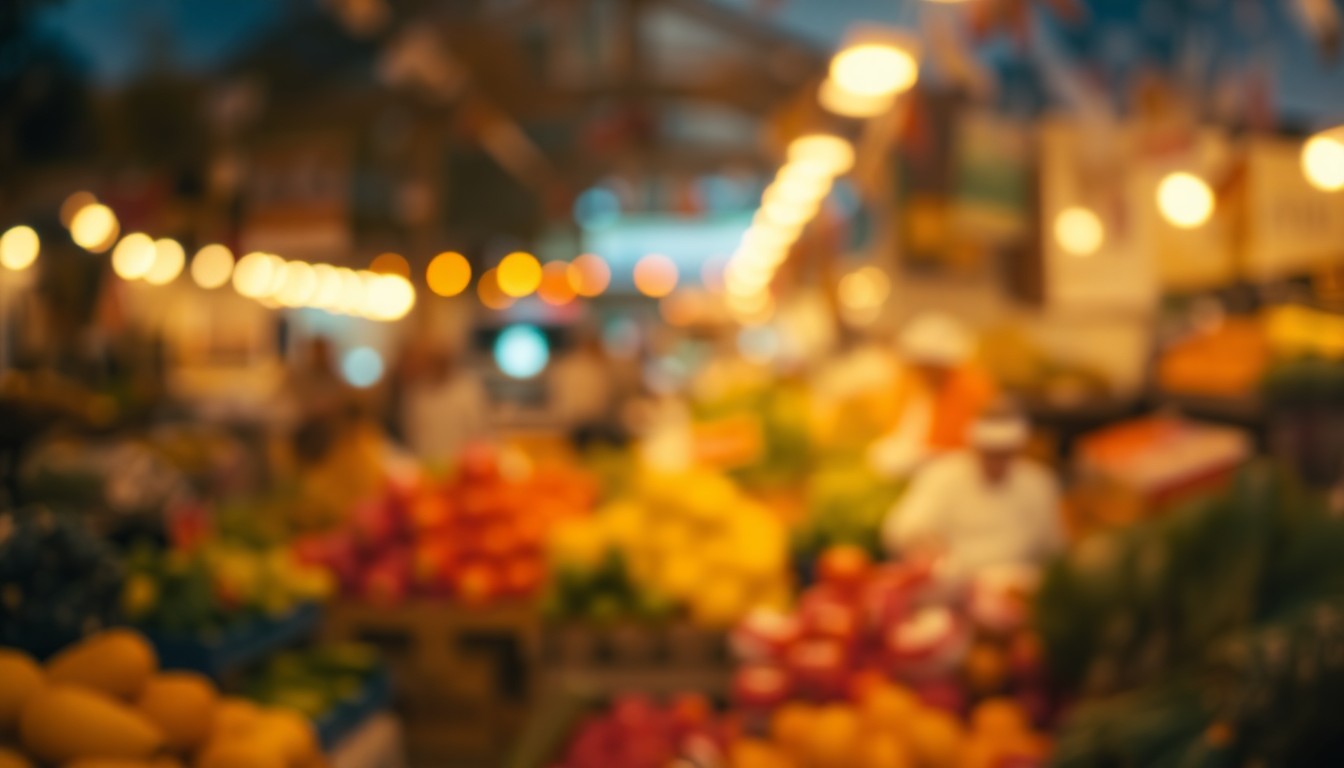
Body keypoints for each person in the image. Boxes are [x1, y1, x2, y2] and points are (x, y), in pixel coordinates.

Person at [882, 403, 1065, 583]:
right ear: (974, 447)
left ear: (1017, 450)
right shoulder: (942, 476)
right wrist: (926, 550)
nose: (997, 463)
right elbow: (903, 530)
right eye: (990, 454)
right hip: (956, 583)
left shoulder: (1039, 484)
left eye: (1005, 454)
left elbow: (1054, 551)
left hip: (1019, 586)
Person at [867, 312, 996, 478]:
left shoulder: (973, 389)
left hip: (955, 474)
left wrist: (926, 457)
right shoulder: (911, 386)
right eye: (918, 364)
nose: (922, 371)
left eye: (928, 365)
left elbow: (978, 447)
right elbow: (900, 430)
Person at [400, 345, 491, 468]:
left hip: (461, 467)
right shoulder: (418, 392)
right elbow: (412, 431)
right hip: (425, 465)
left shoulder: (467, 389)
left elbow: (478, 431)